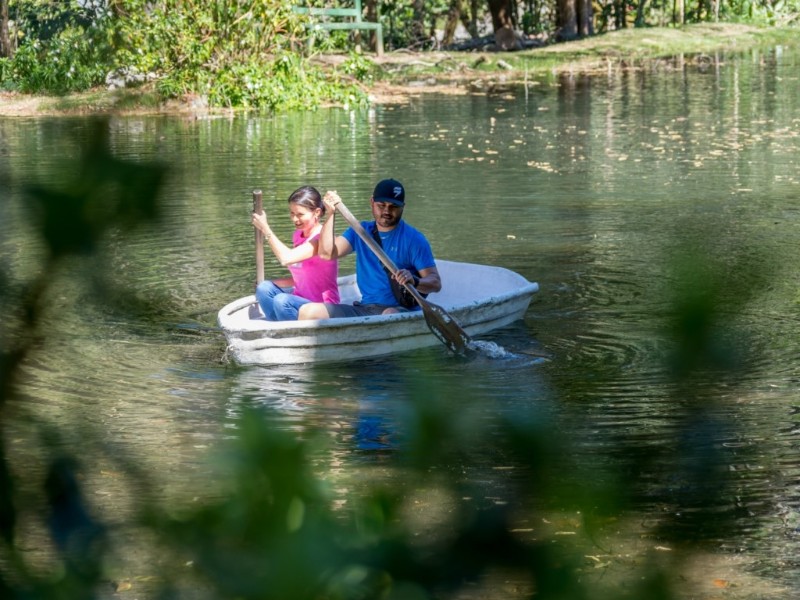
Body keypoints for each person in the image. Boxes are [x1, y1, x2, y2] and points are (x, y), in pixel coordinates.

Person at [298, 178, 441, 320]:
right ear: (372, 202)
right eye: (381, 205)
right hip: (365, 309)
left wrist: (415, 281)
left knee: (390, 314)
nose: (387, 211)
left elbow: (435, 282)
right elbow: (326, 253)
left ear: (402, 207)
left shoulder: (414, 239)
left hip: (399, 310)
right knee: (308, 311)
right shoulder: (360, 231)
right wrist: (331, 214)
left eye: (393, 206)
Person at [251, 186, 339, 320]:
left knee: (282, 300)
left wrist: (265, 229)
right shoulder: (297, 235)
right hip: (298, 301)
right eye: (292, 213)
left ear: (317, 212)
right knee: (264, 288)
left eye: (300, 214)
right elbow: (302, 278)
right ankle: (279, 326)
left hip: (321, 307)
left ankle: (287, 328)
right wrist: (273, 283)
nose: (294, 219)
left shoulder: (321, 239)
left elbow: (286, 259)